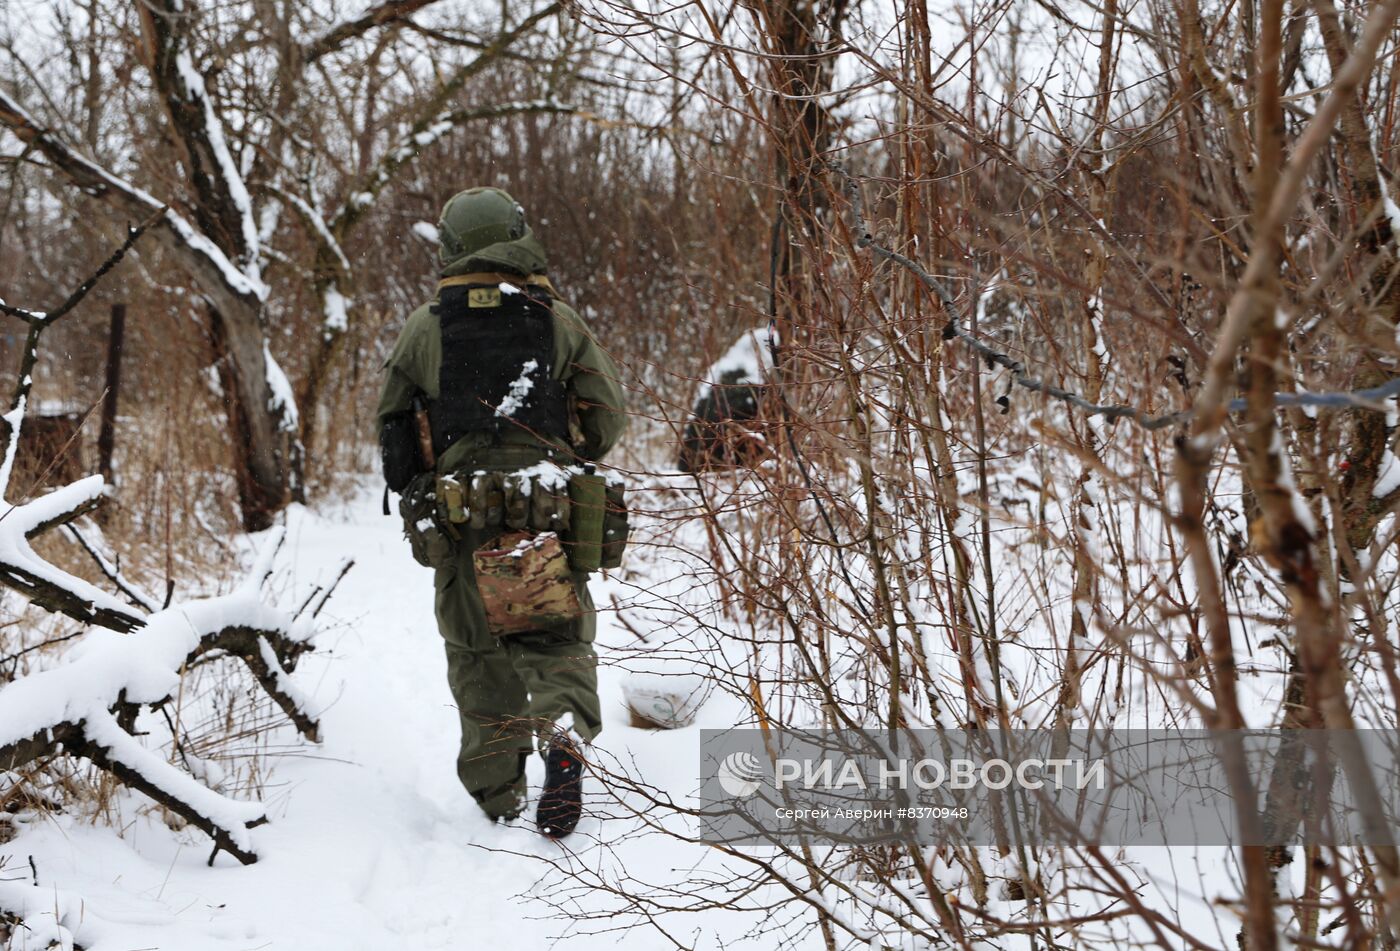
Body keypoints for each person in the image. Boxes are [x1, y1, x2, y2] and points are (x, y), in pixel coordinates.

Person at [377, 186, 626, 837]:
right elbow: (608, 417)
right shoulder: (555, 318)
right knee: (555, 639)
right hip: (544, 509)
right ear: (517, 237)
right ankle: (563, 736)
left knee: (476, 650)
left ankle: (498, 796)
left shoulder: (425, 325)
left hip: (460, 518)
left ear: (454, 246)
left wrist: (423, 480)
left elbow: (393, 431)